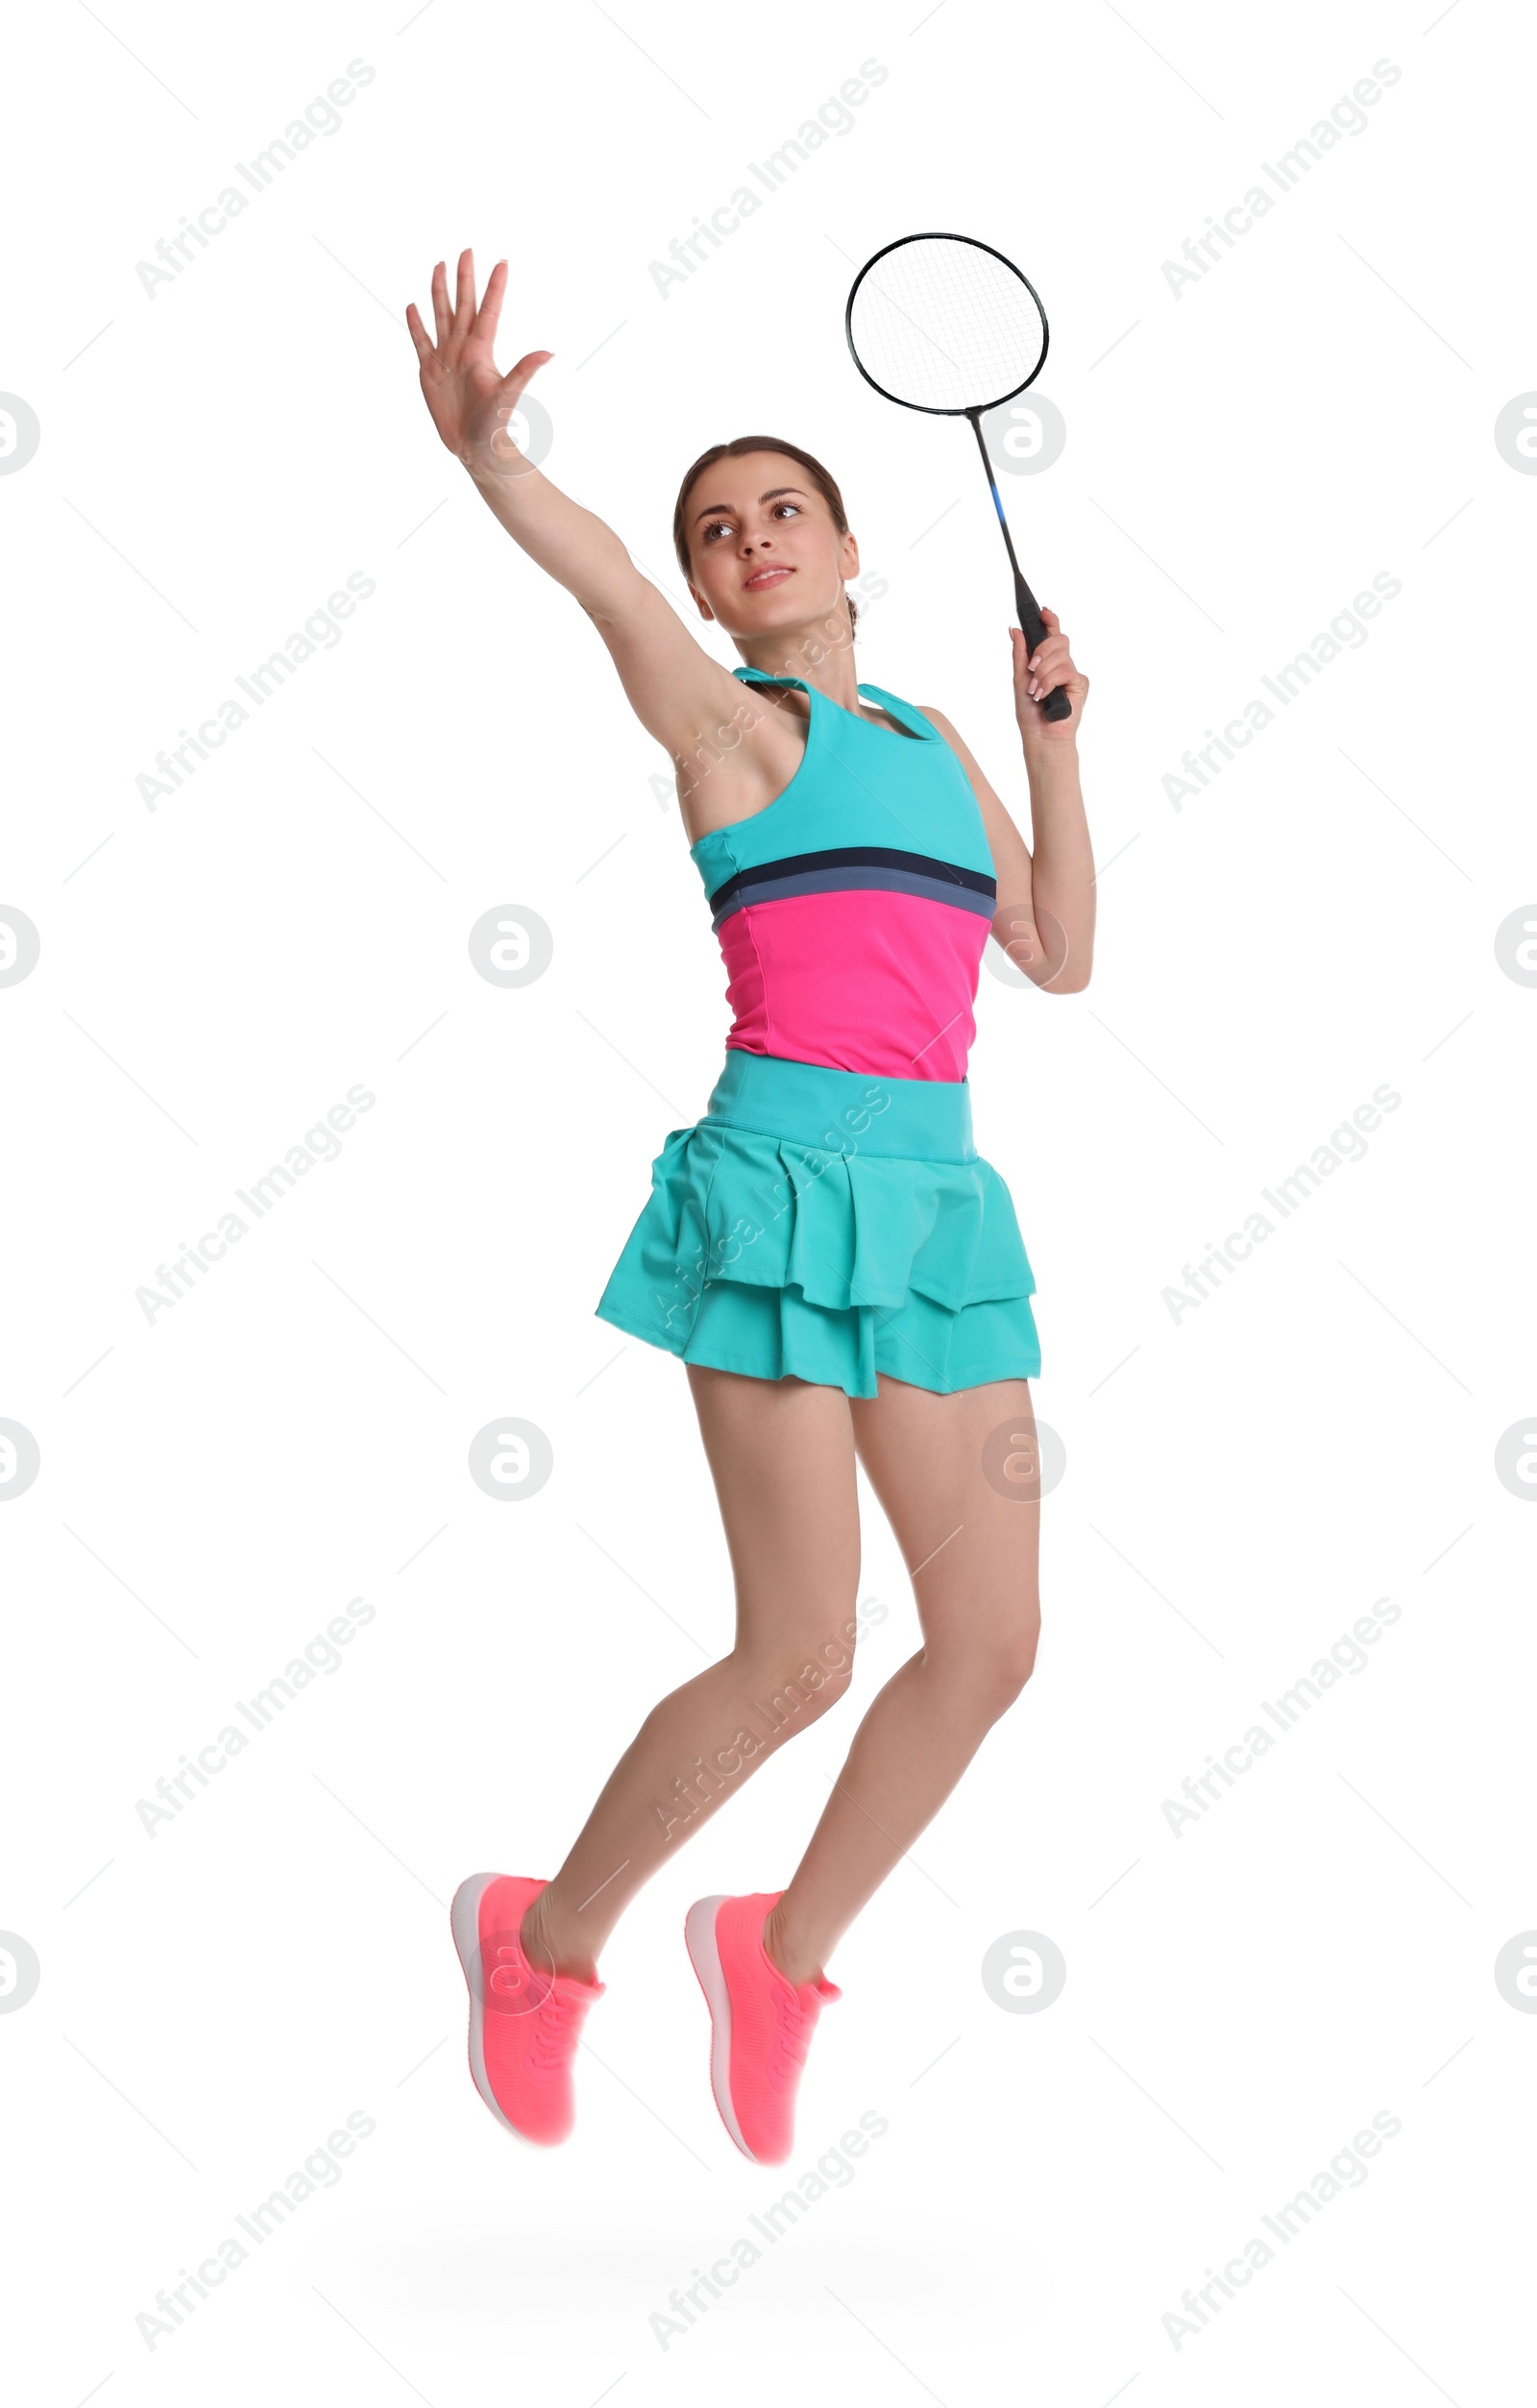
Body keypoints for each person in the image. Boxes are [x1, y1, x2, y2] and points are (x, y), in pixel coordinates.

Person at [406, 250, 1094, 2165]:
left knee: (987, 1650)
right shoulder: (728, 733)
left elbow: (1057, 953)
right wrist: (490, 462)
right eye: (719, 533)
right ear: (710, 588)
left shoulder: (933, 745)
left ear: (850, 541)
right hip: (778, 1197)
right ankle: (540, 1943)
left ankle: (778, 1955)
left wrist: (1048, 733)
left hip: (940, 1212)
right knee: (800, 1652)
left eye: (782, 509)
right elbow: (599, 583)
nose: (748, 541)